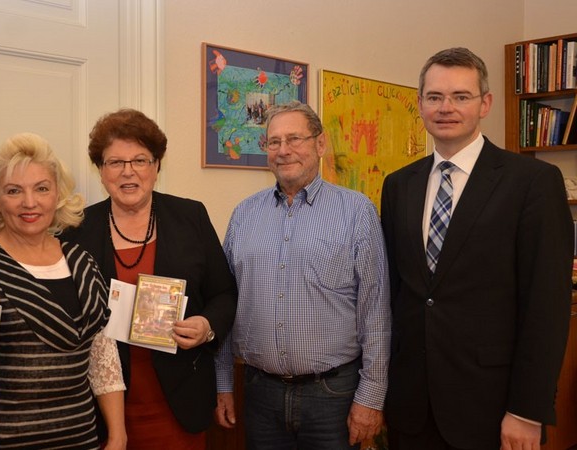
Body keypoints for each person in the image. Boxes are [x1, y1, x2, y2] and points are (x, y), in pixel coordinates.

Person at [380, 47, 573, 450]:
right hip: (411, 406)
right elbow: (398, 293)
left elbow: (546, 307)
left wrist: (527, 410)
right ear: (420, 105)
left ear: (485, 103)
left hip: (492, 406)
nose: (445, 107)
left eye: (460, 96)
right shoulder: (399, 185)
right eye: (434, 97)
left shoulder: (532, 182)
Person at [215, 100, 391, 449]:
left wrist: (371, 397)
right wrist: (223, 383)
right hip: (260, 393)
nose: (284, 151)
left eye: (295, 139)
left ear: (320, 144)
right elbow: (224, 302)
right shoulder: (244, 215)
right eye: (274, 142)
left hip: (333, 395)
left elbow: (376, 312)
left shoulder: (357, 212)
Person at [61, 108, 237, 449]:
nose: (129, 172)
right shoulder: (76, 230)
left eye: (140, 160)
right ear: (100, 170)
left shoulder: (191, 217)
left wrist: (206, 325)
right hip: (101, 409)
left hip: (180, 404)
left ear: (156, 166)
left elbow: (225, 294)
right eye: (115, 162)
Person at [0, 132, 126, 450]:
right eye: (13, 191)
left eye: (42, 188)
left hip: (83, 440)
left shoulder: (82, 261)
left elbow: (103, 358)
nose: (30, 202)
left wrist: (118, 436)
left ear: (57, 194)